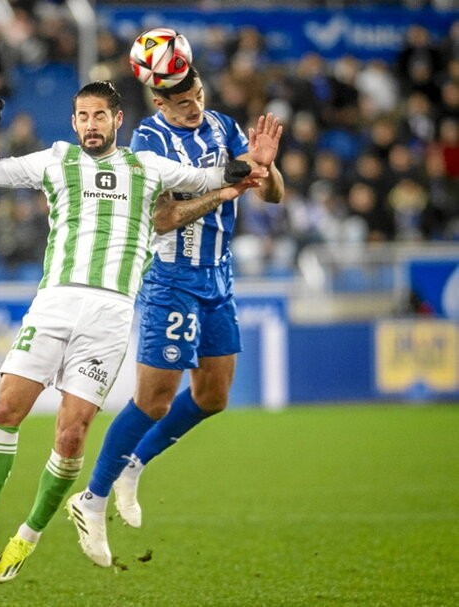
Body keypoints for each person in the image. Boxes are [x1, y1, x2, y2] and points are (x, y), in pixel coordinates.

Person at [0, 80, 267, 583]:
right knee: (7, 407)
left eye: (100, 116)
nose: (90, 125)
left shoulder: (147, 168)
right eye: (82, 116)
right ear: (74, 121)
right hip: (54, 303)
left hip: (110, 316)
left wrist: (243, 168)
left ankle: (27, 537)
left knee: (73, 432)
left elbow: (207, 174)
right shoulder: (55, 160)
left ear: (117, 121)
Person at [66, 66, 284, 567]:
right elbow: (161, 217)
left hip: (218, 276)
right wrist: (222, 193)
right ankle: (91, 500)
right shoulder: (148, 142)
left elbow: (273, 196)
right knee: (154, 400)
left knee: (213, 396)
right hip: (171, 277)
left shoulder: (224, 129)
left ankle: (133, 465)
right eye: (183, 101)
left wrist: (266, 169)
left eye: (199, 95)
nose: (195, 106)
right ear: (161, 104)